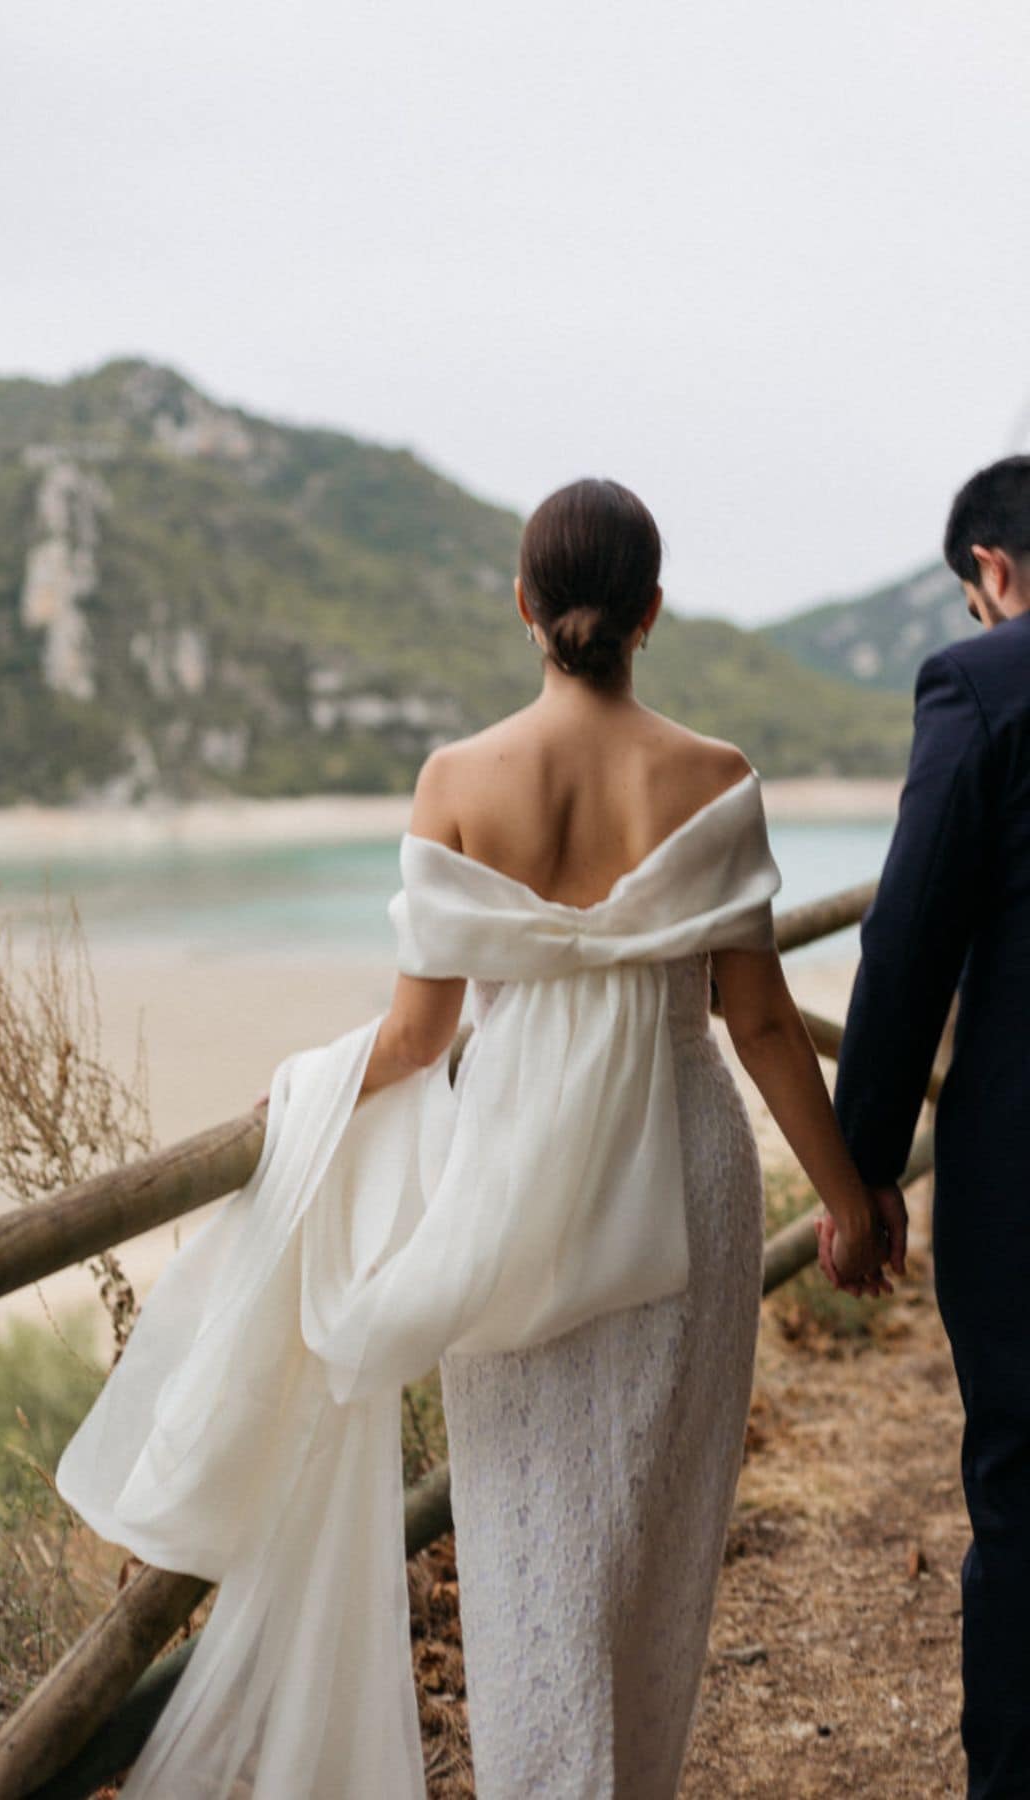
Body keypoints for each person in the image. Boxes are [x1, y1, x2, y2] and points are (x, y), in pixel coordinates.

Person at [57, 477, 889, 1799]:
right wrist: (851, 1199)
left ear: (522, 605)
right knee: (652, 1535)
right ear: (653, 612)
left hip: (508, 1191)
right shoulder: (716, 779)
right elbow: (766, 1027)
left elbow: (414, 1039)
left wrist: (310, 1099)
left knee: (528, 1548)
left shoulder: (457, 780)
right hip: (688, 1172)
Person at [821, 455, 1030, 1800]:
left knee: (1024, 1497)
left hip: (1027, 1170)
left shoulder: (986, 685)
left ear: (992, 576)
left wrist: (862, 1171)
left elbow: (907, 943)